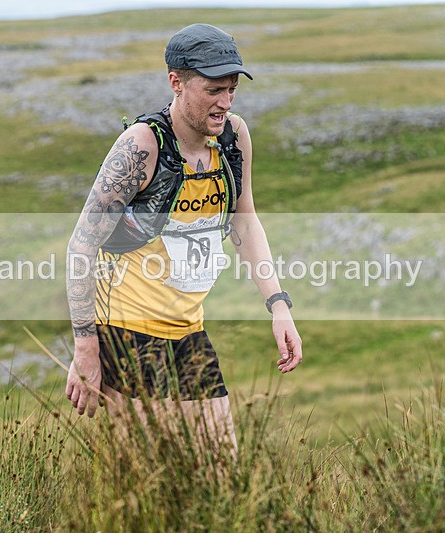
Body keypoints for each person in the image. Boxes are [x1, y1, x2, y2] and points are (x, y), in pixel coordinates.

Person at [65, 23, 302, 449]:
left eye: (232, 90)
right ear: (176, 82)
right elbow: (81, 246)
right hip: (127, 334)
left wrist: (278, 305)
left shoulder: (232, 137)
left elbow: (244, 220)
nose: (224, 103)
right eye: (213, 90)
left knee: (221, 468)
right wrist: (86, 347)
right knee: (152, 483)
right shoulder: (140, 147)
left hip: (189, 332)